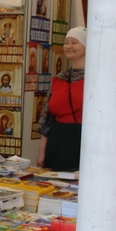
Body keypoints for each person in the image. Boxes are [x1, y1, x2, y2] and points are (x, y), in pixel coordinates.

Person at [37, 26, 87, 172]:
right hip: (58, 141)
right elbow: (46, 119)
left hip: (84, 140)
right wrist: (41, 152)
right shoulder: (59, 78)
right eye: (66, 42)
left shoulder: (97, 78)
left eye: (74, 42)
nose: (69, 46)